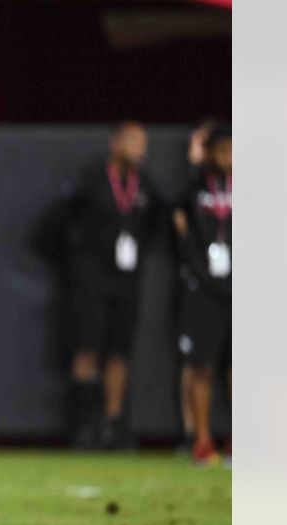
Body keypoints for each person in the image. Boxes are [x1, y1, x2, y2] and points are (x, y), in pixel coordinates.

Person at [61, 121, 163, 450]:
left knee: (119, 352)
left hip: (127, 281)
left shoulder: (145, 184)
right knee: (87, 348)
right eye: (132, 141)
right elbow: (61, 223)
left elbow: (156, 226)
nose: (139, 149)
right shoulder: (91, 179)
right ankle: (84, 425)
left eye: (143, 142)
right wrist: (81, 260)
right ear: (115, 143)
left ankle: (113, 423)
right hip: (91, 281)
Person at [174, 125, 231, 467]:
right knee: (202, 367)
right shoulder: (192, 189)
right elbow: (182, 235)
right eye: (223, 151)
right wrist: (203, 276)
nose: (230, 159)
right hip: (204, 289)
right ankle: (202, 441)